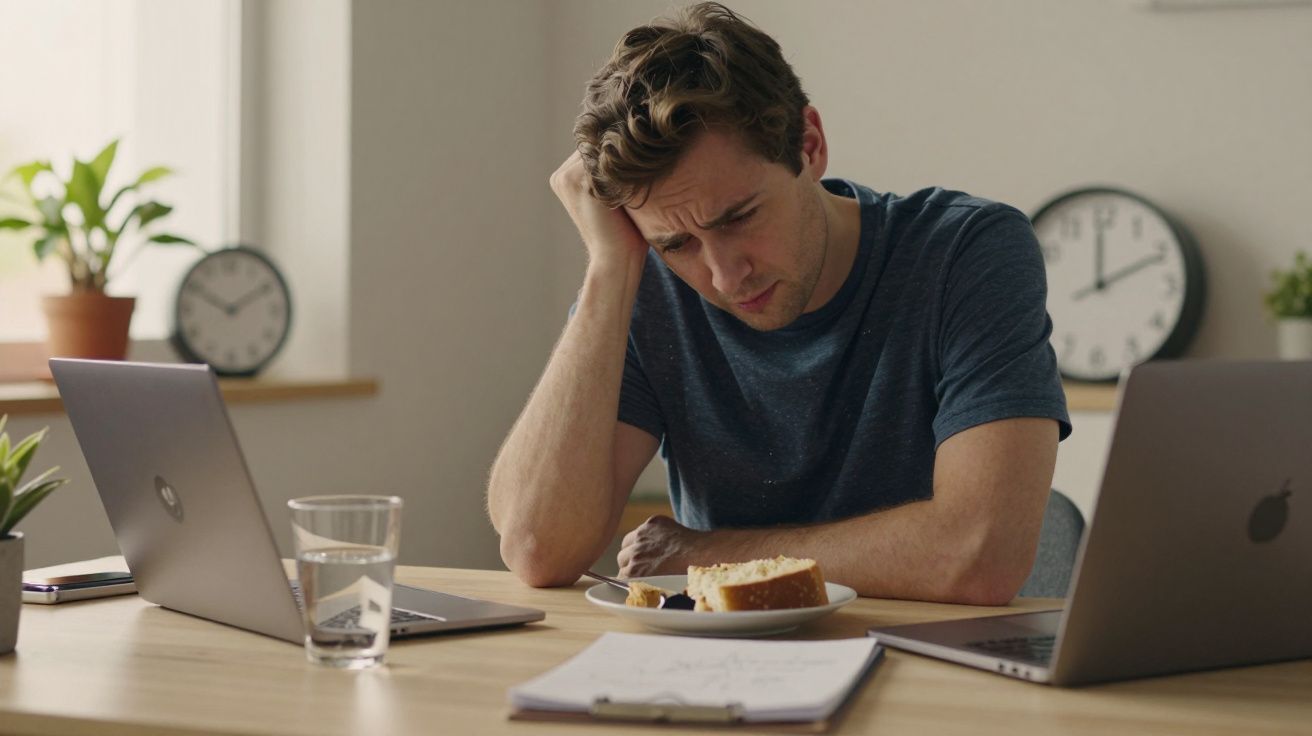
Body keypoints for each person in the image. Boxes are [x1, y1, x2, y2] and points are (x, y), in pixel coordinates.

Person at [486, 2, 1070, 604]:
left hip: (927, 662)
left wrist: (701, 554)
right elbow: (537, 548)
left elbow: (980, 555)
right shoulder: (648, 279)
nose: (723, 273)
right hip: (721, 672)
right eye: (678, 242)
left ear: (810, 145)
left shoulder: (966, 252)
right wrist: (610, 270)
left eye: (739, 217)